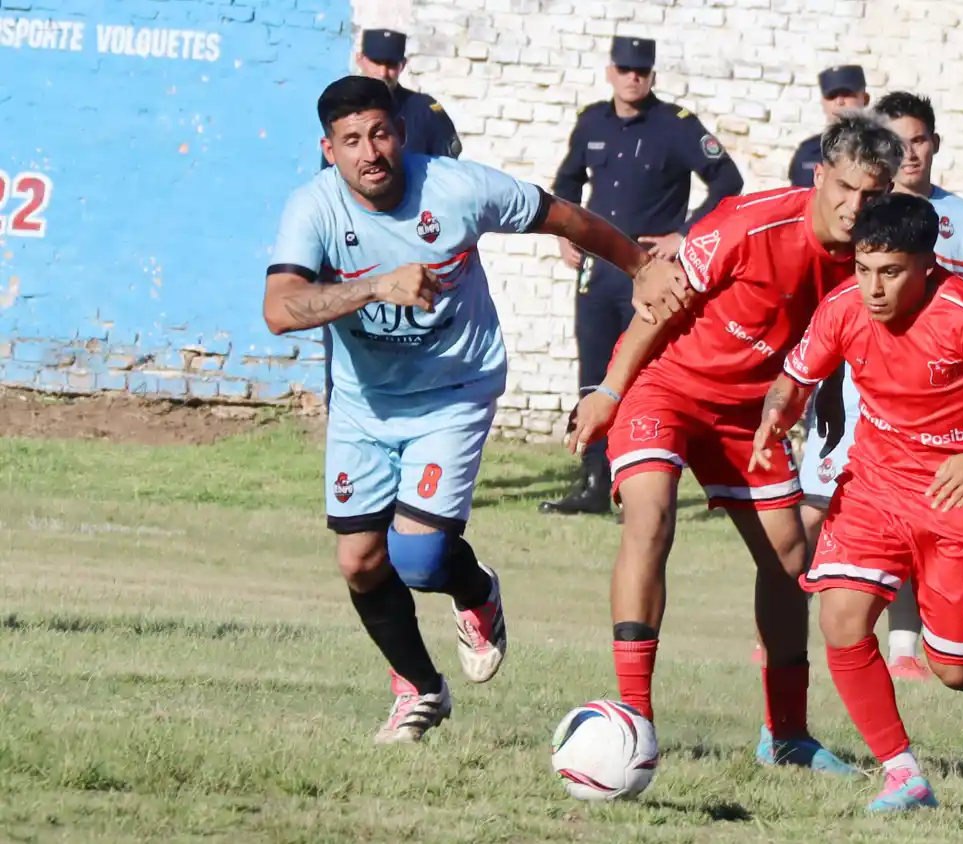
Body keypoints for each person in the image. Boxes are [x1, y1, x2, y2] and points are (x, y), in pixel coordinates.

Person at [264, 76, 688, 744]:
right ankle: (419, 689)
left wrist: (638, 266)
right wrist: (377, 285)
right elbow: (279, 309)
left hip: (452, 392)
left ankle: (475, 591)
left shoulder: (458, 188)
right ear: (330, 149)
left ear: (399, 133)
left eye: (379, 133)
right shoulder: (312, 209)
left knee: (421, 559)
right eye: (351, 141)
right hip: (365, 404)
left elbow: (564, 216)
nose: (369, 151)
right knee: (359, 562)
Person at [564, 111, 905, 774]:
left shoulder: (868, 258)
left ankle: (787, 737)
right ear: (820, 176)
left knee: (789, 557)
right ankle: (634, 719)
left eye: (873, 195)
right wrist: (607, 392)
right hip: (664, 387)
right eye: (845, 187)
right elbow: (658, 302)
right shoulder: (750, 221)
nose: (855, 206)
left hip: (747, 415)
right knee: (652, 516)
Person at [753, 192, 963, 811]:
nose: (872, 288)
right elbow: (797, 377)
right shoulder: (844, 307)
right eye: (863, 269)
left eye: (890, 272)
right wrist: (774, 417)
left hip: (959, 497)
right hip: (875, 484)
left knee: (952, 666)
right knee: (841, 620)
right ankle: (903, 774)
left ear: (927, 263)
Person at [798, 90, 963, 681]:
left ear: (934, 144)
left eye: (919, 140)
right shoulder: (860, 216)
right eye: (899, 142)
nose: (910, 152)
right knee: (815, 510)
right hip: (856, 395)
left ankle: (908, 646)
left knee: (914, 521)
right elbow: (834, 311)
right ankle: (786, 629)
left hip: (931, 410)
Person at [542, 35, 746, 516]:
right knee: (594, 370)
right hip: (599, 271)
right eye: (625, 69)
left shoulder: (675, 126)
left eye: (642, 71)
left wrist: (685, 234)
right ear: (610, 72)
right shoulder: (592, 121)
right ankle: (593, 480)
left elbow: (727, 180)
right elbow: (568, 181)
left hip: (653, 272)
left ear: (652, 75)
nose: (633, 77)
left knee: (650, 373)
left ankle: (650, 480)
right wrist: (564, 231)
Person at [319, 29, 462, 170]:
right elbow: (330, 173)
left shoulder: (425, 110)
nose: (383, 73)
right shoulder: (342, 108)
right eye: (376, 62)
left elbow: (446, 170)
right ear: (360, 59)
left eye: (391, 64)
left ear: (403, 65)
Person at [788, 65, 870, 188]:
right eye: (832, 96)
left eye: (847, 94)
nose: (839, 102)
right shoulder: (807, 152)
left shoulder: (883, 149)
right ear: (823, 103)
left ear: (865, 99)